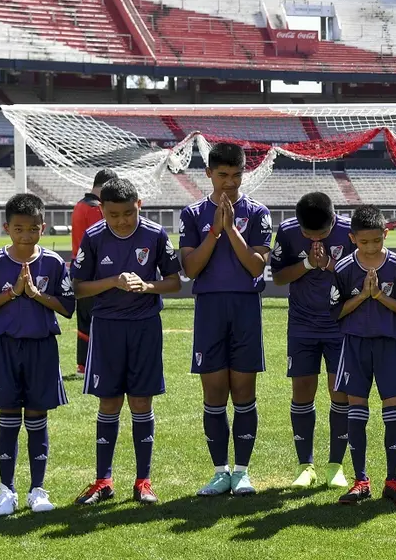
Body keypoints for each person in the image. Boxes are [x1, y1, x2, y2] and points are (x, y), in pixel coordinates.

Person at [71, 178, 182, 506]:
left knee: (141, 402)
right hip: (106, 328)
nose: (121, 220)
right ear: (101, 209)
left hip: (144, 327)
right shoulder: (93, 238)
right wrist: (114, 282)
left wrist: (147, 287)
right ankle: (103, 480)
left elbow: (175, 282)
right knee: (108, 403)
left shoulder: (155, 234)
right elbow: (78, 288)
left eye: (127, 213)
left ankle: (143, 481)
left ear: (139, 205)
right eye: (113, 214)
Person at [0, 193, 75, 516]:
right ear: (7, 228)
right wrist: (13, 293)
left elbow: (68, 307)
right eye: (19, 229)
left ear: (43, 228)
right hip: (4, 347)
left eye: (33, 229)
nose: (26, 236)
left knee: (37, 418)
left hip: (41, 347)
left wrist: (35, 294)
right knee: (8, 418)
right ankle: (6, 491)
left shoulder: (54, 263)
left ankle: (37, 490)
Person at [179, 143, 273, 497]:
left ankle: (243, 472)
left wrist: (231, 229)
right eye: (222, 175)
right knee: (215, 391)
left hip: (245, 308)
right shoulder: (192, 214)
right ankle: (220, 472)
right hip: (210, 310)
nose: (230, 183)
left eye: (236, 175)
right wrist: (214, 232)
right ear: (208, 174)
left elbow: (256, 266)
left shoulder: (259, 213)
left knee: (244, 392)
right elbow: (189, 268)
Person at [330, 206, 396, 505]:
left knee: (392, 409)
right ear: (353, 238)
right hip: (354, 345)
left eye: (376, 241)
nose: (370, 247)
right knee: (357, 409)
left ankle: (392, 480)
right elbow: (335, 312)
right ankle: (361, 479)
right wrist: (362, 296)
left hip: (389, 344)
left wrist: (379, 295)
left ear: (386, 235)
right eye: (364, 242)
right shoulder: (342, 269)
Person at [270, 192, 355, 489]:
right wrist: (306, 265)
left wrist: (330, 264)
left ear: (334, 220)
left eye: (321, 234)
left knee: (339, 393)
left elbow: (358, 277)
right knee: (302, 392)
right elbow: (278, 278)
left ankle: (336, 465)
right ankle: (305, 466)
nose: (313, 239)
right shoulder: (289, 231)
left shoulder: (350, 231)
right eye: (308, 235)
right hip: (303, 326)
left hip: (339, 325)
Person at [71, 168, 117, 378]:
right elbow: (102, 238)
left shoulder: (79, 205)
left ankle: (83, 364)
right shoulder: (95, 209)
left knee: (83, 317)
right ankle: (92, 362)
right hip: (95, 269)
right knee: (97, 317)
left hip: (78, 266)